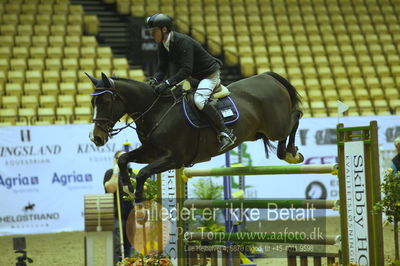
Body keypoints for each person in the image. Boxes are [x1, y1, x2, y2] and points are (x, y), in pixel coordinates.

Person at [146, 13, 237, 152]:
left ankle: (225, 133)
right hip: (194, 78)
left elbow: (186, 69)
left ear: (164, 30)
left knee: (199, 100)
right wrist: (155, 80)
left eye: (154, 31)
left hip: (208, 75)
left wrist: (168, 83)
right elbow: (161, 68)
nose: (152, 35)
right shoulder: (163, 44)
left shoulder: (183, 41)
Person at [104, 150, 134, 263]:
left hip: (131, 217)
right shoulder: (110, 173)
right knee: (118, 247)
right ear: (116, 161)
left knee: (129, 247)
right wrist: (116, 171)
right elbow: (110, 189)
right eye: (121, 158)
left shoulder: (132, 175)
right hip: (116, 216)